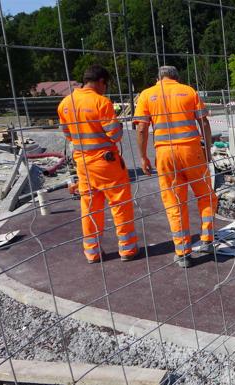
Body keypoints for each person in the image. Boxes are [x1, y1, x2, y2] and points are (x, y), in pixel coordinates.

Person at [134, 66, 217, 268]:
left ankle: (182, 253)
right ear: (176, 77)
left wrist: (143, 156)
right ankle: (207, 240)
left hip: (165, 154)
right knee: (205, 195)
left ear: (158, 78)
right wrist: (207, 149)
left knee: (174, 202)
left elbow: (142, 128)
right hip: (191, 151)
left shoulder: (147, 94)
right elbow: (204, 123)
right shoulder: (188, 91)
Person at [58, 64, 138, 263]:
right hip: (105, 162)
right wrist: (117, 125)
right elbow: (116, 134)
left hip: (83, 162)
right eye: (106, 85)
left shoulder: (65, 103)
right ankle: (127, 249)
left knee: (90, 208)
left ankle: (92, 252)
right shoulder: (101, 102)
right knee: (120, 205)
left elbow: (67, 134)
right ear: (101, 81)